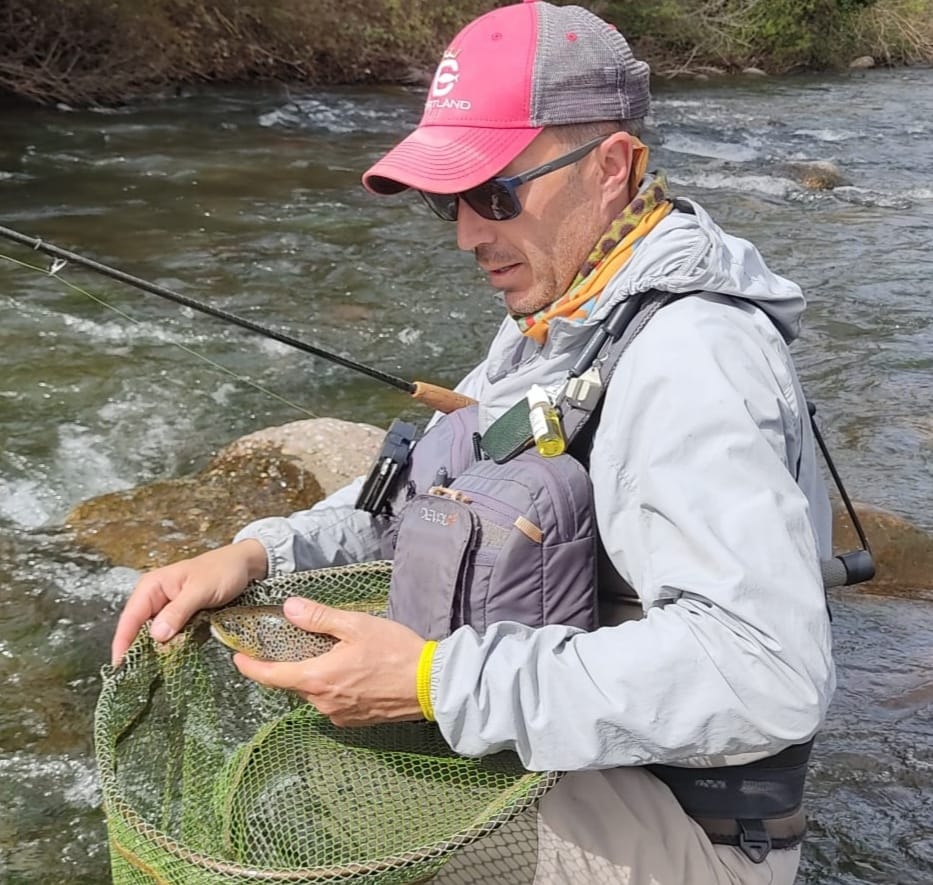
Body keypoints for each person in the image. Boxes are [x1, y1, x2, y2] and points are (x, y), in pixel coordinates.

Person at [111, 2, 835, 882]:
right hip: (574, 762)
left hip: (692, 831)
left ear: (611, 167)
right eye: (446, 200)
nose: (465, 233)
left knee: (325, 788)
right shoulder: (564, 312)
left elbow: (766, 671)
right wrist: (259, 553)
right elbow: (427, 491)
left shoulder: (694, 357)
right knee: (310, 770)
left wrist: (435, 684)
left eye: (494, 193)